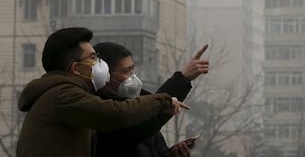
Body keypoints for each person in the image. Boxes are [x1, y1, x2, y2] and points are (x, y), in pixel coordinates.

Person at [16, 27, 188, 157]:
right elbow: (117, 113)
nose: (100, 63)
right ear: (77, 68)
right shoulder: (63, 95)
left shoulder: (64, 94)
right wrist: (162, 101)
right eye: (93, 58)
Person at [93, 42, 209, 157]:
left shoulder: (138, 104)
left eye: (132, 70)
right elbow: (141, 125)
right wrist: (182, 79)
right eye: (127, 71)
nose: (133, 77)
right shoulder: (99, 115)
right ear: (105, 76)